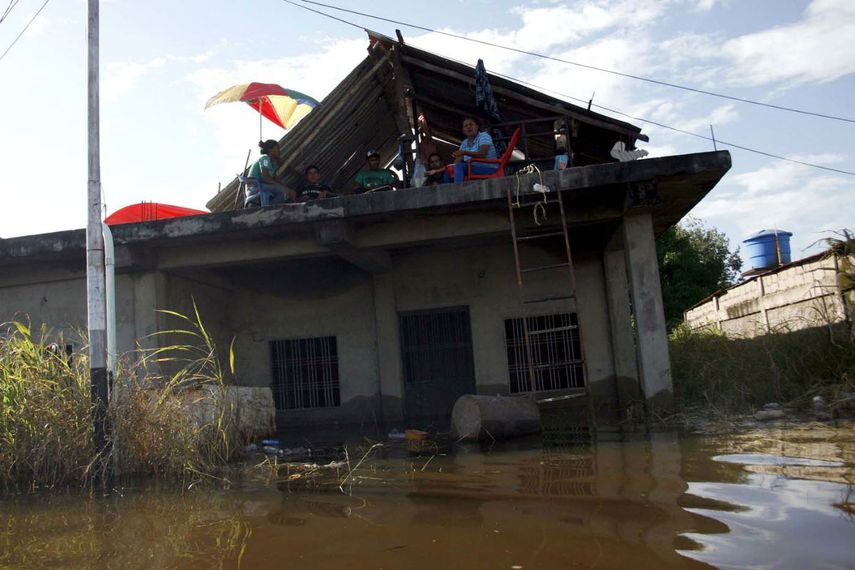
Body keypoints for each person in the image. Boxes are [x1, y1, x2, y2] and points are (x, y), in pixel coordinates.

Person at [449, 116, 498, 184]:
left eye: (471, 124)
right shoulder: (464, 143)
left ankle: (458, 190)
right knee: (448, 171)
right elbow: (458, 161)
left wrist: (464, 152)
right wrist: (450, 167)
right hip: (474, 168)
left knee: (459, 167)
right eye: (466, 126)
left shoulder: (484, 136)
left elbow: (482, 154)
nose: (469, 127)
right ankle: (450, 192)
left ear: (477, 127)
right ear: (463, 131)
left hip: (489, 168)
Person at [248, 139, 296, 204]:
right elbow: (265, 177)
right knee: (283, 192)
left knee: (288, 191)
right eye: (277, 149)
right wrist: (283, 188)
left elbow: (275, 180)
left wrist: (287, 188)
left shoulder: (272, 163)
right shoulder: (265, 158)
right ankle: (270, 209)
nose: (279, 151)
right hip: (255, 188)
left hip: (262, 187)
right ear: (270, 150)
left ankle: (271, 207)